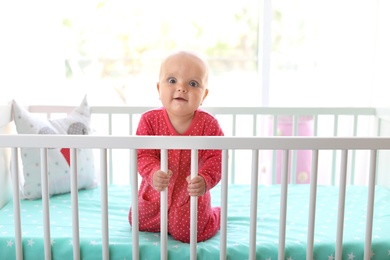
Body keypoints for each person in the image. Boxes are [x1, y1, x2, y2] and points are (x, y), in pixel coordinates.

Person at [128, 50, 224, 243]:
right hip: (154, 193)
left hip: (189, 197)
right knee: (137, 220)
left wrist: (205, 179)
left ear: (204, 95)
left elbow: (217, 158)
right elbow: (142, 154)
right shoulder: (149, 121)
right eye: (172, 81)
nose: (181, 88)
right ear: (158, 89)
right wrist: (153, 172)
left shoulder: (209, 125)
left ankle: (216, 215)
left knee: (191, 233)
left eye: (193, 83)